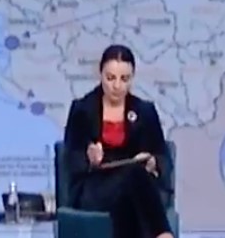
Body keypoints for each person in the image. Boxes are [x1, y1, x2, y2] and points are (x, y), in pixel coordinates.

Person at [61, 44, 175, 238]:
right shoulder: (82, 110)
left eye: (124, 79)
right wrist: (89, 158)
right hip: (96, 187)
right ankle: (163, 234)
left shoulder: (145, 111)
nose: (117, 86)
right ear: (100, 75)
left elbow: (163, 157)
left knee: (130, 191)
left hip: (137, 187)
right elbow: (71, 158)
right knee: (133, 177)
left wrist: (152, 162)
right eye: (110, 78)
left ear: (132, 78)